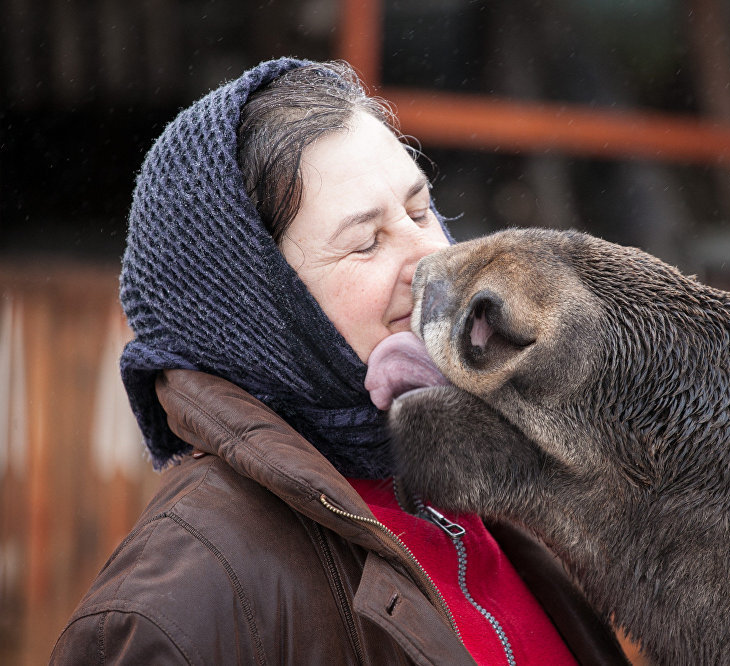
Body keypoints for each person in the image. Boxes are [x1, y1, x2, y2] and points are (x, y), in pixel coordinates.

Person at [49, 58, 629, 664]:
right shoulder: (180, 612)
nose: (434, 258)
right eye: (366, 242)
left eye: (419, 208)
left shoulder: (503, 485)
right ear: (256, 316)